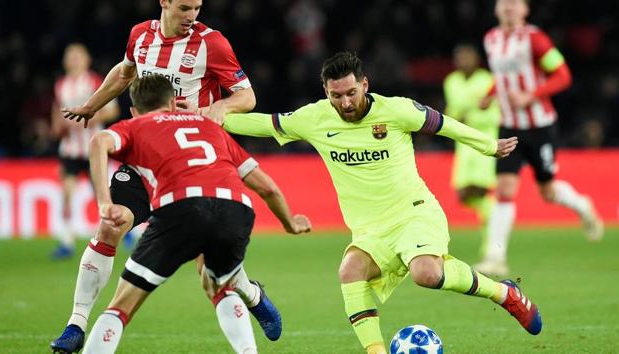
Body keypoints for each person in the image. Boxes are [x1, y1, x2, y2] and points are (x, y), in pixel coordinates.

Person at [220, 52, 540, 354]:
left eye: (350, 93)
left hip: (414, 212)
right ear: (326, 92)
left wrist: (488, 146)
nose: (345, 102)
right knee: (350, 270)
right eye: (336, 96)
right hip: (370, 230)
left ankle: (504, 293)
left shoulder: (397, 110)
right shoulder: (314, 118)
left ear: (364, 84)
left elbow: (443, 124)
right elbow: (263, 124)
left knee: (426, 273)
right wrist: (211, 115)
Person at [50, 1, 282, 352]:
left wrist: (217, 107)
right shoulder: (140, 36)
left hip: (192, 167)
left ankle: (251, 293)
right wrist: (92, 105)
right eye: (185, 7)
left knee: (211, 275)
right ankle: (76, 323)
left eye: (198, 7)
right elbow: (125, 72)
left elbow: (246, 95)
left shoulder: (211, 43)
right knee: (111, 225)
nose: (193, 16)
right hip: (146, 163)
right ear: (165, 3)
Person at [81, 75, 310, 354]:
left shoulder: (137, 124)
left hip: (182, 208)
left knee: (121, 306)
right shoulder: (208, 125)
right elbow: (268, 188)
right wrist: (290, 223)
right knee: (218, 285)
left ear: (135, 110)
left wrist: (105, 202)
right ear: (172, 103)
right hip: (235, 208)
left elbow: (97, 143)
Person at [476, 0, 604, 276]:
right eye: (504, 3)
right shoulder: (491, 39)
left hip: (539, 126)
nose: (508, 7)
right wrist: (489, 95)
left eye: (515, 3)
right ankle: (495, 257)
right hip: (508, 126)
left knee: (547, 191)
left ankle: (583, 206)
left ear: (525, 9)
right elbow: (503, 76)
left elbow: (563, 75)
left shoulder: (536, 40)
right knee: (505, 189)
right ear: (497, 9)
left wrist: (529, 96)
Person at [50, 43, 119, 259]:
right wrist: (58, 127)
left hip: (93, 148)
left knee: (103, 195)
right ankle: (66, 241)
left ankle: (123, 231)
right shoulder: (61, 85)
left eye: (78, 56)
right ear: (64, 61)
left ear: (87, 59)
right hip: (70, 150)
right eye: (70, 56)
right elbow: (56, 116)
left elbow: (113, 111)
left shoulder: (96, 81)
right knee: (67, 194)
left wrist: (89, 116)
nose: (74, 60)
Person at [443, 44, 500, 258]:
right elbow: (452, 111)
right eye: (460, 57)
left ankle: (492, 243)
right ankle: (494, 222)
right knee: (464, 195)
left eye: (468, 56)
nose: (464, 61)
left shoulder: (488, 80)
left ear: (476, 58)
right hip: (463, 145)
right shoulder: (451, 81)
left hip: (484, 142)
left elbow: (496, 115)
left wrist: (470, 118)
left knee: (479, 191)